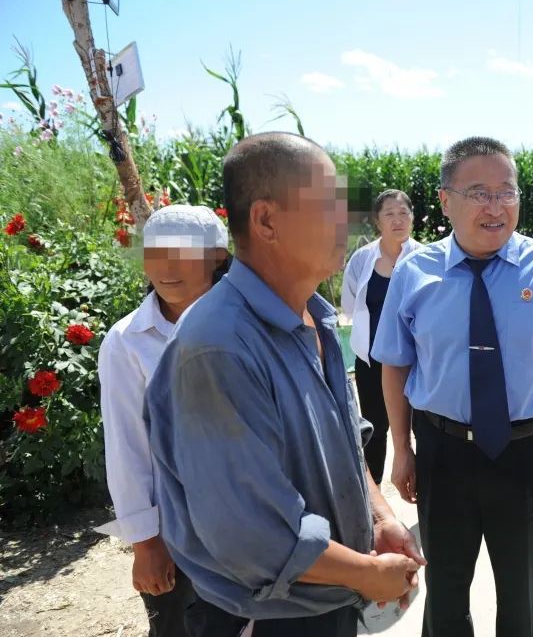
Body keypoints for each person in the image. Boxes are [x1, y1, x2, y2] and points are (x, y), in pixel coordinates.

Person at [145, 133, 425, 637]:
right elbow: (254, 535)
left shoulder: (313, 316)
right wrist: (366, 574)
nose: (348, 222)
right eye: (329, 206)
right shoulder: (219, 348)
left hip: (324, 598)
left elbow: (343, 441)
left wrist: (380, 516)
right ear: (267, 220)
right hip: (264, 617)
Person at [372, 136, 533, 637]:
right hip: (442, 453)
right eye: (479, 192)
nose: (496, 206)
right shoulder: (414, 272)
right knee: (446, 594)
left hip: (526, 453)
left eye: (506, 192)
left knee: (524, 597)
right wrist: (402, 449)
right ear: (446, 200)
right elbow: (396, 365)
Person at [97, 204, 231, 637]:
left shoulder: (246, 325)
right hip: (177, 531)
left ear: (217, 259)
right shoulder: (127, 342)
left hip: (251, 521)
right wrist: (146, 541)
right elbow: (127, 446)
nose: (167, 268)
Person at [341, 189, 422, 484]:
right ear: (377, 221)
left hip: (417, 361)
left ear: (412, 218)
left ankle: (425, 491)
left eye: (403, 213)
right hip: (371, 360)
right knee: (375, 428)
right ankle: (372, 494)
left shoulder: (425, 258)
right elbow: (350, 306)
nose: (397, 220)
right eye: (389, 214)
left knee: (421, 427)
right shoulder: (362, 260)